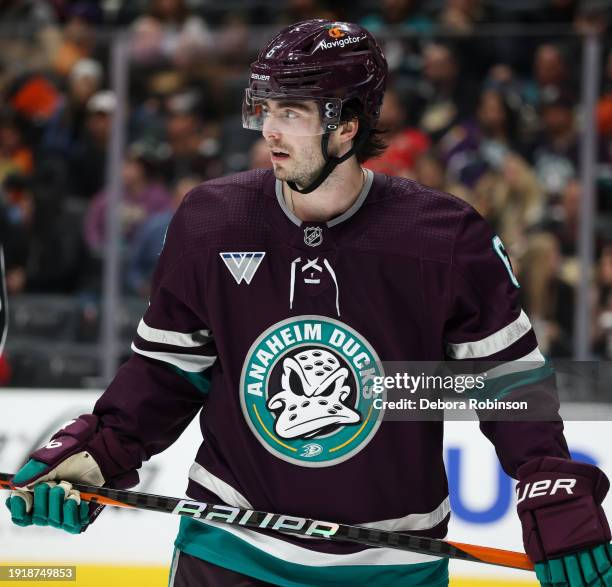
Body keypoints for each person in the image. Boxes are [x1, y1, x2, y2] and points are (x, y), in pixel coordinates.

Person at [5, 19, 612, 587]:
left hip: (393, 560)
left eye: (291, 111)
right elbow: (165, 374)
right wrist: (99, 451)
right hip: (230, 547)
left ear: (348, 125)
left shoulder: (445, 238)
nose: (269, 129)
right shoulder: (211, 222)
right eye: (266, 108)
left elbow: (509, 383)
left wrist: (550, 485)